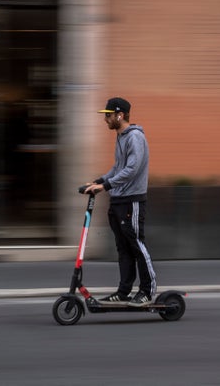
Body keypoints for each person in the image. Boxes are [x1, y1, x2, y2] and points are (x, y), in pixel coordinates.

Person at [84, 97, 157, 307]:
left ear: (120, 115)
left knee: (136, 244)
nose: (105, 119)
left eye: (108, 115)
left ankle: (147, 290)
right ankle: (124, 291)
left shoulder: (134, 137)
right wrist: (99, 181)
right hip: (118, 200)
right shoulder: (121, 137)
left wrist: (106, 186)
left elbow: (132, 169)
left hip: (132, 200)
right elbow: (118, 168)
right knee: (123, 248)